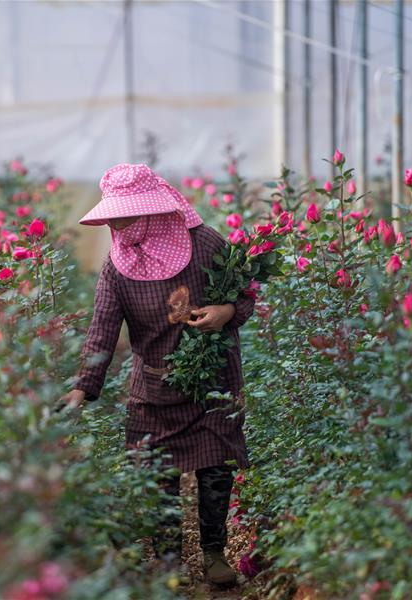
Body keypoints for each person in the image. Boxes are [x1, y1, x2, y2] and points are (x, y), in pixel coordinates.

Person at [60, 163, 254, 586]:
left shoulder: (204, 246)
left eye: (126, 214)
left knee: (215, 469)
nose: (117, 223)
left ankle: (214, 554)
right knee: (156, 476)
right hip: (153, 388)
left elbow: (243, 294)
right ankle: (169, 562)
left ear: (151, 211)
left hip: (212, 383)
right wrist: (81, 388)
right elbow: (102, 329)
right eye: (114, 215)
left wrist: (225, 313)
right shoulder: (117, 266)